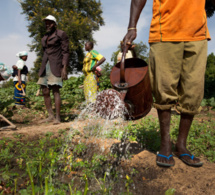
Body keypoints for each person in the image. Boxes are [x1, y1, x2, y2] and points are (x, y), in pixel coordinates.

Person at [123, 0, 211, 167]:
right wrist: (132, 27)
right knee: (163, 89)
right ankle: (165, 145)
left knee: (193, 92)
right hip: (165, 32)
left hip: (198, 34)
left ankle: (181, 145)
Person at [37, 15, 69, 124]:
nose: (48, 25)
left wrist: (64, 67)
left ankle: (58, 118)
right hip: (45, 64)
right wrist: (41, 68)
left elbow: (65, 52)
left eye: (50, 23)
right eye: (46, 23)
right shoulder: (45, 37)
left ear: (55, 24)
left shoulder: (61, 34)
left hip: (56, 64)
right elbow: (45, 52)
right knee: (45, 90)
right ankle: (50, 115)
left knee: (55, 90)